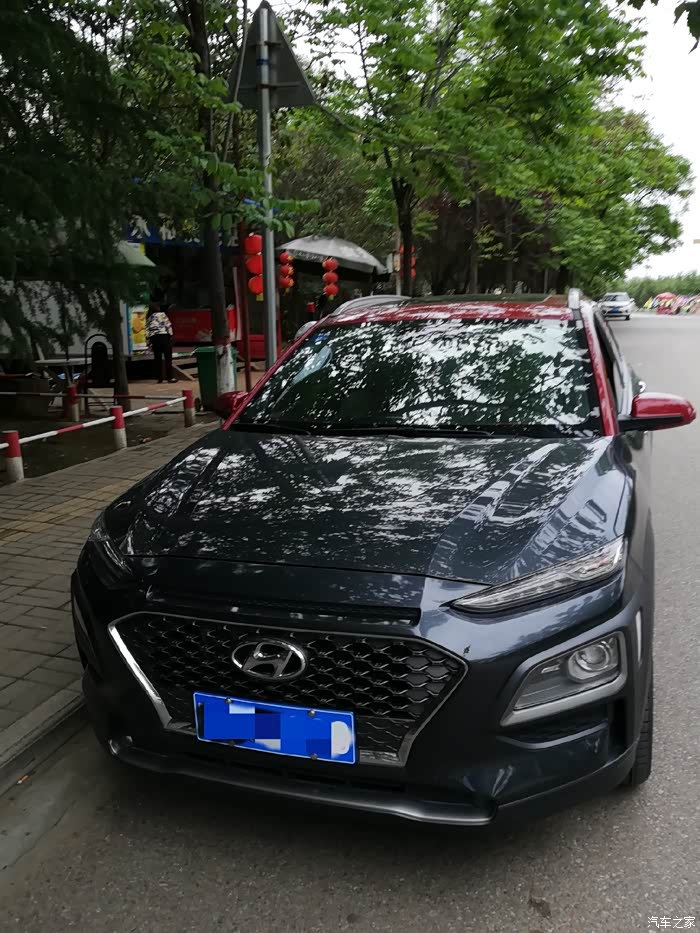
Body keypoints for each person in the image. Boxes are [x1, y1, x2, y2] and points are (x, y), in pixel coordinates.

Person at [146, 302, 176, 383]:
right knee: (168, 358)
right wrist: (171, 335)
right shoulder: (162, 315)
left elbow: (147, 330)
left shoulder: (149, 317)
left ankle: (160, 378)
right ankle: (170, 377)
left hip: (154, 338)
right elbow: (168, 325)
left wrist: (148, 341)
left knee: (158, 358)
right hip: (164, 337)